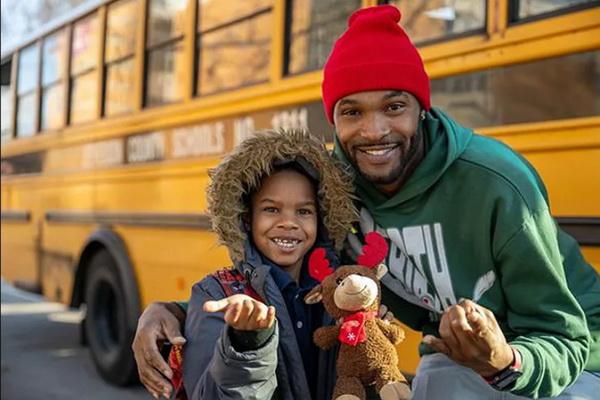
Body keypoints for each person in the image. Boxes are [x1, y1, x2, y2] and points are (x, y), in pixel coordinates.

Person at [132, 5, 600, 400]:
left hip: (573, 364)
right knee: (436, 376)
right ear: (333, 119)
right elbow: (303, 285)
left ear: (422, 108)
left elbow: (565, 334)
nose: (374, 132)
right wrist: (175, 311)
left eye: (394, 107)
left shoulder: (498, 183)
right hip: (458, 362)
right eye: (352, 112)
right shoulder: (338, 191)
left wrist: (505, 360)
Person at [177, 129, 360, 400]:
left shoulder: (340, 292)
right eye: (271, 209)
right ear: (246, 219)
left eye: (304, 211)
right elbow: (207, 395)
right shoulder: (218, 293)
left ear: (321, 221)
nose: (289, 222)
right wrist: (245, 345)